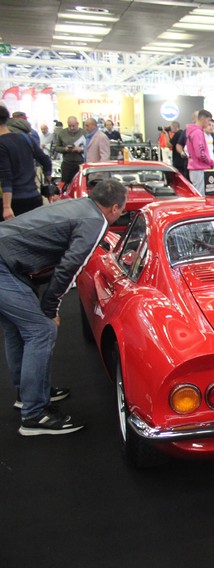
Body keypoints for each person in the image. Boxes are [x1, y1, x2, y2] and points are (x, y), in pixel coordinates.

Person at [0, 179, 126, 435]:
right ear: (115, 208)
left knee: (17, 329)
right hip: (5, 265)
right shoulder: (96, 221)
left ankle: (29, 394)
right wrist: (50, 309)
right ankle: (35, 415)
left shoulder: (80, 205)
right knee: (41, 330)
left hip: (8, 258)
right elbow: (70, 267)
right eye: (122, 211)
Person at [1, 106, 53, 219]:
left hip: (14, 201)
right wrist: (48, 176)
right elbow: (45, 159)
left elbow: (6, 176)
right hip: (34, 196)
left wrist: (6, 206)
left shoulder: (2, 144)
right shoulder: (26, 138)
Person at [184, 110, 214, 195]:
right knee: (200, 196)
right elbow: (200, 154)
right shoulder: (198, 133)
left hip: (196, 168)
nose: (209, 123)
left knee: (199, 194)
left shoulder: (193, 131)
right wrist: (211, 162)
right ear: (202, 119)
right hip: (199, 169)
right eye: (208, 120)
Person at [54, 116, 85, 187]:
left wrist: (81, 149)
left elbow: (90, 148)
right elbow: (57, 147)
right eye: (69, 126)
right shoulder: (62, 133)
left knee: (80, 184)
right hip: (67, 163)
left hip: (80, 163)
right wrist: (65, 149)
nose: (71, 128)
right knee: (65, 184)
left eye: (73, 126)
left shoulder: (84, 133)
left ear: (77, 124)